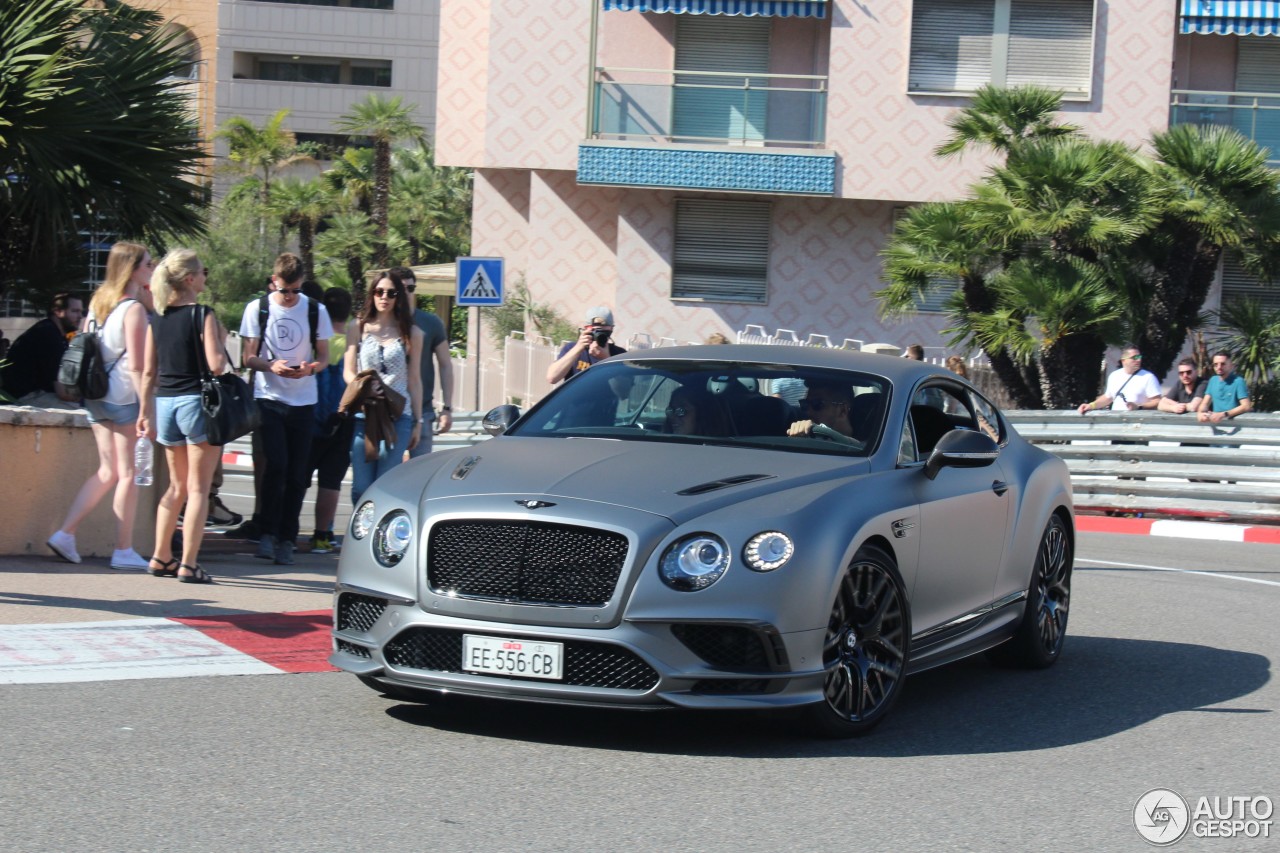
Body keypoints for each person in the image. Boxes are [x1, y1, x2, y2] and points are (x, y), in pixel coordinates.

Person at [45, 243, 153, 568]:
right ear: (133, 268)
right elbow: (136, 365)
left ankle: (65, 534)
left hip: (94, 395)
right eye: (147, 263)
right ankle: (123, 550)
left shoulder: (98, 303)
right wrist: (146, 408)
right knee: (128, 474)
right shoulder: (133, 309)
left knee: (107, 471)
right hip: (122, 397)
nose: (152, 268)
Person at [137, 249, 225, 584]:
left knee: (176, 486)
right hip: (196, 404)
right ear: (190, 279)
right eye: (203, 271)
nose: (205, 276)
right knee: (199, 489)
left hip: (166, 404)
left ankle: (161, 556)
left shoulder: (157, 316)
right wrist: (218, 336)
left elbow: (148, 371)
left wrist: (145, 411)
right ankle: (189, 564)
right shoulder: (201, 314)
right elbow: (216, 365)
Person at [239, 252, 332, 565]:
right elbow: (247, 357)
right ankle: (267, 531)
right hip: (269, 397)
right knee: (275, 465)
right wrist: (270, 366)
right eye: (284, 290)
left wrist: (310, 369)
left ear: (302, 283)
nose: (290, 297)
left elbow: (324, 356)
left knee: (297, 474)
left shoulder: (316, 311)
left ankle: (287, 537)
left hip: (304, 401)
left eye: (295, 290)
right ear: (273, 282)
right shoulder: (258, 308)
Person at [344, 271, 424, 506]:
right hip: (364, 414)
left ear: (399, 297)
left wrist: (418, 422)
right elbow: (348, 371)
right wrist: (364, 390)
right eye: (379, 292)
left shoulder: (413, 333)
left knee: (383, 483)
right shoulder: (358, 327)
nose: (384, 297)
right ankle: (358, 532)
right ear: (372, 294)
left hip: (398, 416)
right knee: (361, 487)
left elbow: (415, 380)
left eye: (391, 293)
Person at [306, 287, 353, 554]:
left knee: (299, 477)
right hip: (342, 421)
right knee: (331, 481)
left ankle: (285, 530)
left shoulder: (317, 343)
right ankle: (322, 535)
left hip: (313, 418)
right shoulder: (352, 342)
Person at [391, 267, 454, 458]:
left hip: (423, 411)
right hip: (388, 411)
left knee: (419, 473)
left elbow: (445, 365)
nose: (406, 294)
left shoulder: (430, 322)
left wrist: (447, 408)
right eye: (401, 289)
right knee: (388, 473)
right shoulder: (381, 323)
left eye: (411, 289)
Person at [0, 292, 85, 406]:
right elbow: (63, 392)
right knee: (87, 414)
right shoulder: (48, 335)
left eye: (81, 311)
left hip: (37, 393)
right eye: (74, 311)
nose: (80, 316)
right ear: (58, 311)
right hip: (24, 397)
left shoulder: (55, 333)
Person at [546, 306, 626, 385]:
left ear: (611, 329)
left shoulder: (620, 354)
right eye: (594, 331)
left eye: (602, 331)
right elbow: (552, 378)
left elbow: (623, 391)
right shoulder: (572, 349)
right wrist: (578, 347)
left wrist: (606, 359)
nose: (598, 334)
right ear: (586, 329)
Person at [1077, 346, 1161, 414]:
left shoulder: (1148, 377)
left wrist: (1139, 406)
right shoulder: (1114, 376)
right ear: (1123, 360)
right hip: (1117, 423)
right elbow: (1108, 397)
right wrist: (1091, 405)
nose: (1138, 360)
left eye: (1139, 357)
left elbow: (1157, 401)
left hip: (1138, 423)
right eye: (1134, 357)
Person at [787, 378, 857, 441]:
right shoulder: (807, 436)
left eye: (817, 404)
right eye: (805, 404)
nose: (809, 412)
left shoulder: (866, 448)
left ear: (842, 411)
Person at [1197, 352, 1252, 423]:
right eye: (1215, 365)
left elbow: (1246, 406)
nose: (1219, 367)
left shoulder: (1238, 381)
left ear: (1231, 366)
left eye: (1223, 364)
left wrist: (1224, 414)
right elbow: (1205, 403)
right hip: (1217, 425)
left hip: (1235, 424)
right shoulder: (1213, 380)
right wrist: (1201, 413)